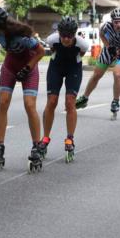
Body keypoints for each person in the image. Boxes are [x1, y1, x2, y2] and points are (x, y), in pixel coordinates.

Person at [0, 5, 45, 172]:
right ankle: (0, 145)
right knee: (2, 102)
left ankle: (36, 146)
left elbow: (41, 52)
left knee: (29, 105)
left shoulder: (20, 34)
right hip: (10, 66)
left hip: (28, 66)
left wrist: (27, 68)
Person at [38, 17, 89, 163]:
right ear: (59, 33)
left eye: (70, 36)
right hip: (56, 67)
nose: (66, 39)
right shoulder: (52, 39)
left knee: (70, 102)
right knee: (52, 101)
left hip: (74, 68)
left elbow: (81, 55)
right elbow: (54, 52)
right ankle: (45, 137)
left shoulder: (82, 44)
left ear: (75, 34)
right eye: (63, 35)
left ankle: (70, 139)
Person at [75, 7, 120, 120]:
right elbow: (101, 34)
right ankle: (85, 98)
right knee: (96, 75)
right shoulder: (107, 26)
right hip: (110, 50)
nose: (118, 25)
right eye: (116, 22)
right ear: (112, 21)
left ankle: (115, 101)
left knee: (117, 74)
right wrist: (108, 46)